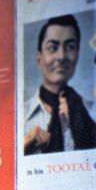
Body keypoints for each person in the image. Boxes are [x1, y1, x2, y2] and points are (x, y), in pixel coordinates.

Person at [24, 15, 96, 154]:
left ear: (77, 54)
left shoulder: (92, 111)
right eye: (52, 48)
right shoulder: (22, 116)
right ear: (39, 58)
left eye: (70, 47)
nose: (62, 56)